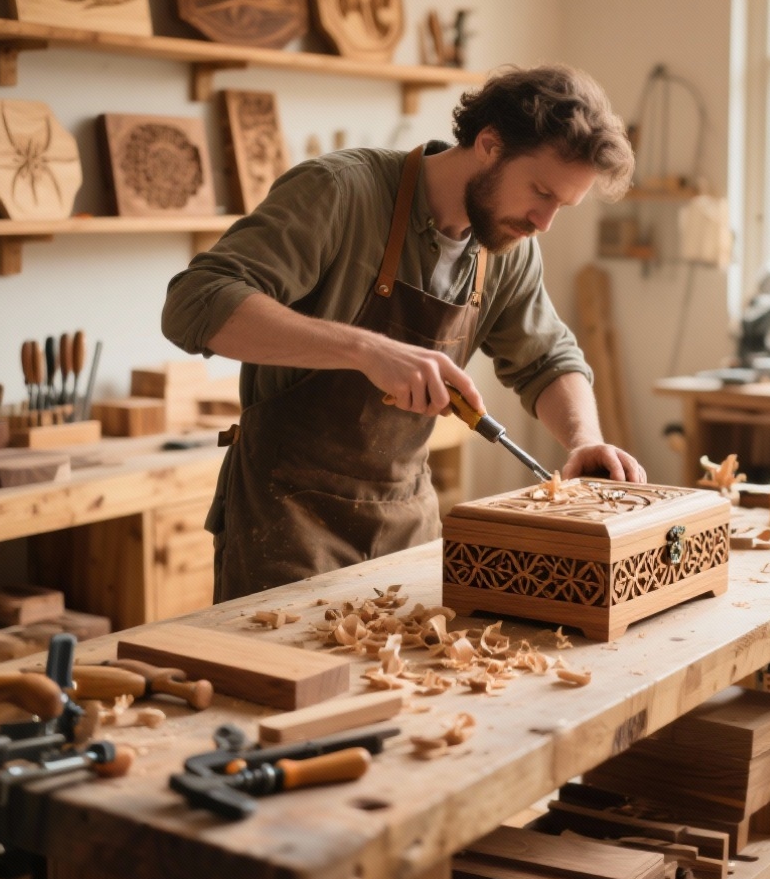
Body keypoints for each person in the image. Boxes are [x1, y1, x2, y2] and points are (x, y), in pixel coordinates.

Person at [162, 63, 645, 603]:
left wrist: (584, 440)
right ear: (489, 145)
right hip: (286, 522)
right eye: (540, 192)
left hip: (406, 524)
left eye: (562, 206)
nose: (543, 222)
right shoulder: (340, 192)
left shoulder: (506, 245)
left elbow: (547, 358)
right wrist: (366, 349)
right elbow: (194, 301)